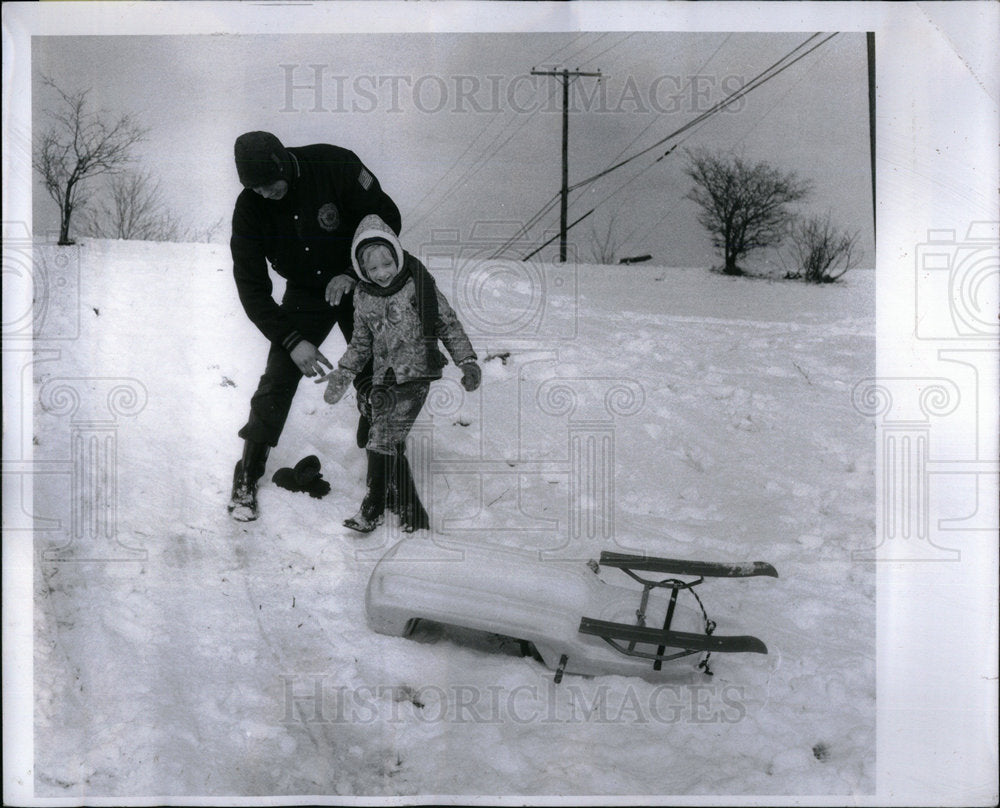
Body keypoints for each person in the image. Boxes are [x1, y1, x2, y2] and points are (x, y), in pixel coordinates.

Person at [228, 131, 401, 521]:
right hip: (305, 294)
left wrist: (353, 270)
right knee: (277, 378)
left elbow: (388, 219)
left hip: (355, 282)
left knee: (377, 374)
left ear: (283, 162)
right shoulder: (250, 207)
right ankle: (247, 475)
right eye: (256, 189)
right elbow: (252, 290)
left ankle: (387, 478)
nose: (266, 194)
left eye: (270, 184)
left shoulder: (335, 164)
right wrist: (292, 341)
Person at [317, 214, 481, 533]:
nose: (382, 273)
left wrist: (467, 361)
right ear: (362, 269)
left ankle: (373, 507)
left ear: (397, 255)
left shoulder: (416, 284)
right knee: (379, 437)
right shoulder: (364, 297)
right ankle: (413, 514)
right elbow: (361, 343)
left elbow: (446, 323)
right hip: (385, 377)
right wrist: (343, 372)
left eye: (387, 263)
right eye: (372, 268)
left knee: (382, 438)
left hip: (417, 374)